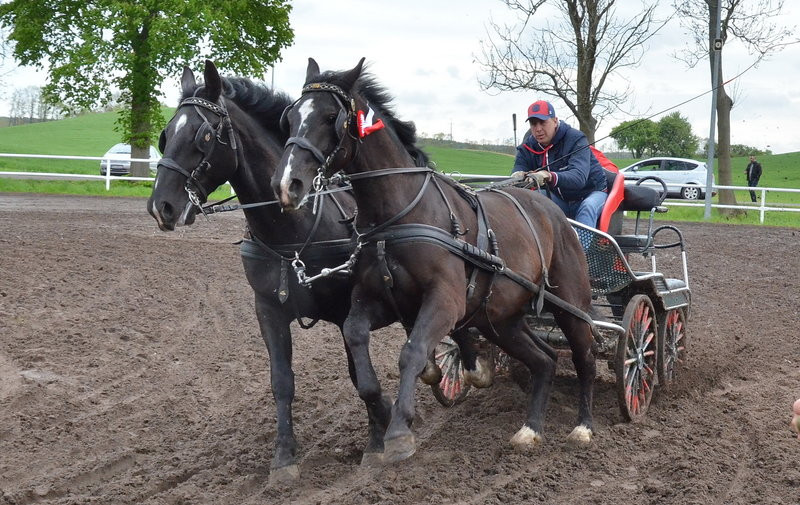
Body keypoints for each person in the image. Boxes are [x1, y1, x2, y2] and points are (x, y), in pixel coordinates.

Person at [511, 100, 607, 229]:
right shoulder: (528, 146)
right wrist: (517, 175)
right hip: (560, 198)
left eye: (543, 122)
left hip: (590, 193)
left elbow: (578, 178)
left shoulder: (576, 139)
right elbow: (519, 168)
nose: (538, 129)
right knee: (530, 201)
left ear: (555, 121)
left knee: (587, 208)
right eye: (533, 124)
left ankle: (582, 249)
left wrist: (548, 176)